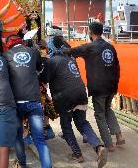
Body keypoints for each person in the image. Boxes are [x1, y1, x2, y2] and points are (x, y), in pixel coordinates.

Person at [41, 33, 108, 167]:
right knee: (82, 122)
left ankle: (77, 154)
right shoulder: (70, 58)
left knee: (66, 126)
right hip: (81, 93)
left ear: (51, 47)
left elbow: (43, 80)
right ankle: (99, 147)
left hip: (65, 96)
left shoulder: (51, 61)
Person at [65, 21, 125, 152]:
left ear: (90, 33)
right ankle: (119, 135)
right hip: (112, 86)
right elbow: (117, 66)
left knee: (99, 114)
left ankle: (109, 144)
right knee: (108, 109)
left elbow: (70, 51)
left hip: (99, 88)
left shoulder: (90, 47)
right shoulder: (110, 47)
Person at [3, 35, 52, 168]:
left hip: (15, 102)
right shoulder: (33, 51)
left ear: (9, 44)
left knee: (18, 136)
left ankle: (22, 164)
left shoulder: (6, 55)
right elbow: (40, 69)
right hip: (33, 100)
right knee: (40, 140)